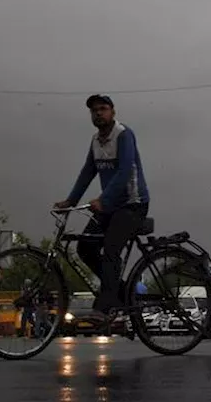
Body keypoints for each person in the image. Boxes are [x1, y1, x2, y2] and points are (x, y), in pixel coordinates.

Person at [54, 94, 151, 326]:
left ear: (113, 112)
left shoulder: (124, 134)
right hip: (109, 205)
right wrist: (70, 200)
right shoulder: (95, 141)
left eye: (103, 108)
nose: (98, 113)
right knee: (85, 247)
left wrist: (103, 198)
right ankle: (120, 291)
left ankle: (104, 307)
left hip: (132, 204)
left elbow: (126, 170)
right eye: (94, 110)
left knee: (110, 249)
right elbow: (88, 171)